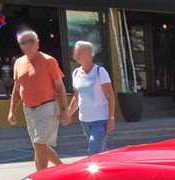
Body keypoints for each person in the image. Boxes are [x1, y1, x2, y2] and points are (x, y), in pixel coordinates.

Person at [8, 30, 70, 171]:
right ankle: (62, 169)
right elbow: (17, 90)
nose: (26, 45)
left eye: (30, 41)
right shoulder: (19, 62)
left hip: (46, 106)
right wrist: (12, 111)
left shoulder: (49, 61)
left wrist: (65, 109)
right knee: (39, 146)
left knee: (39, 145)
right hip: (28, 109)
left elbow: (60, 86)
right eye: (23, 43)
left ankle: (40, 179)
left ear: (37, 43)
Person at [68, 41, 114, 156]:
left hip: (100, 119)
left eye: (80, 52)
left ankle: (94, 173)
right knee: (101, 151)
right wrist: (67, 114)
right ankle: (110, 169)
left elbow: (110, 96)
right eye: (76, 52)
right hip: (84, 120)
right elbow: (76, 97)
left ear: (89, 54)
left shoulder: (100, 72)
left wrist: (111, 118)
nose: (77, 55)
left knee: (93, 151)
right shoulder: (76, 73)